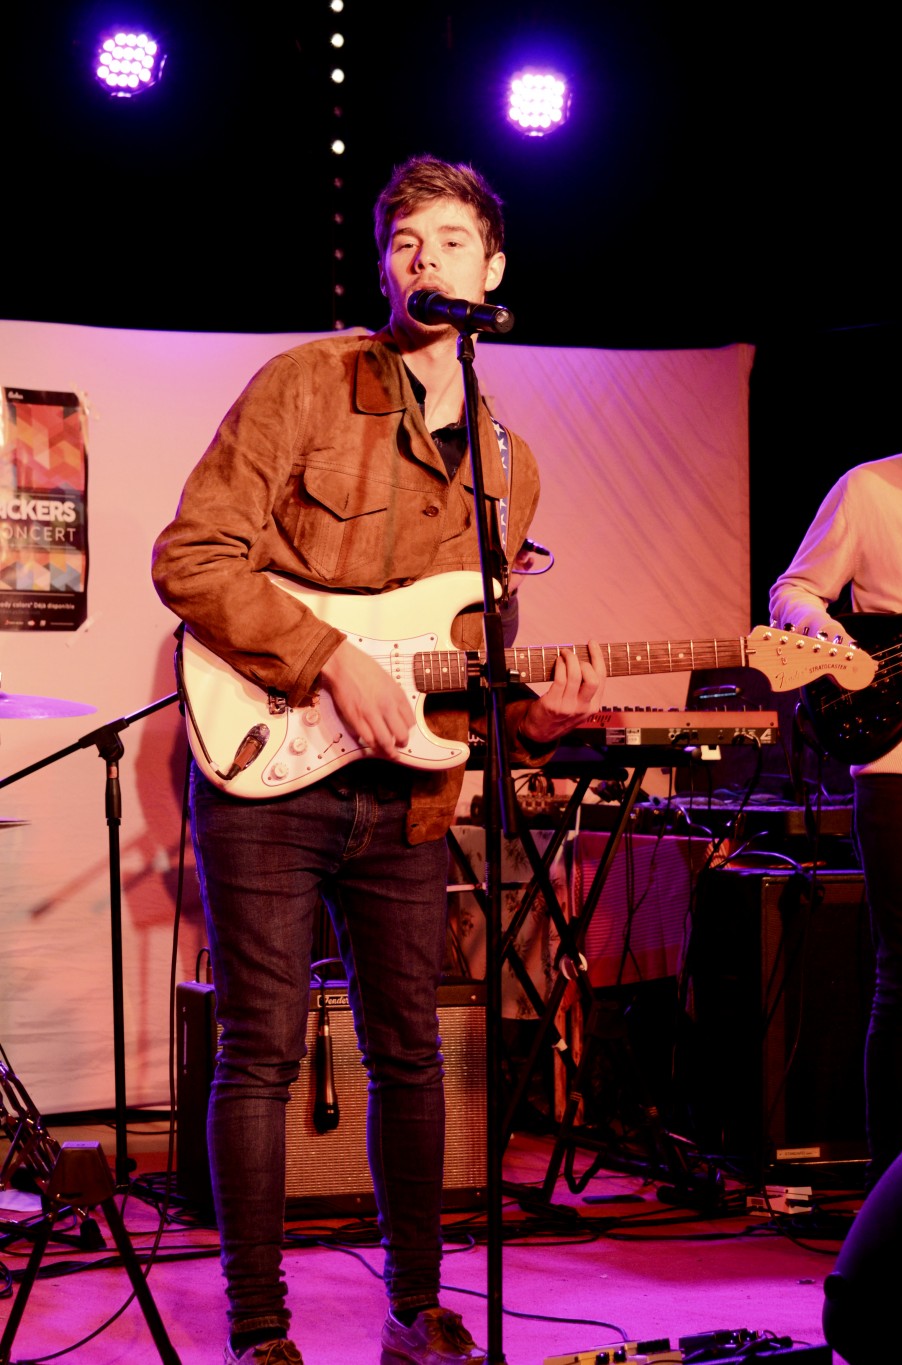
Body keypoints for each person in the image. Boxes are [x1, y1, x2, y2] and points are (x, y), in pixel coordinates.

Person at [152, 154, 605, 1365]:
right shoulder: (304, 384)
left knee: (411, 1051)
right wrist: (324, 658)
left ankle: (417, 1309)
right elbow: (191, 557)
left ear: (491, 267)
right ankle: (259, 1329)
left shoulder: (509, 463)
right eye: (406, 243)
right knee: (259, 1051)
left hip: (410, 788)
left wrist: (542, 718)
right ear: (384, 268)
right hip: (267, 765)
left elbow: (471, 661)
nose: (425, 260)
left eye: (449, 241)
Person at [769, 452, 902, 1192]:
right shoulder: (870, 488)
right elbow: (793, 589)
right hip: (897, 767)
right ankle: (891, 1197)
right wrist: (834, 639)